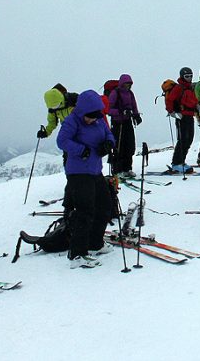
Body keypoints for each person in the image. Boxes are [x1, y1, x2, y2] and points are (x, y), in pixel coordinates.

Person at [57, 89, 116, 269]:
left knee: (105, 206)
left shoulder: (98, 119)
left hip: (95, 170)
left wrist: (108, 144)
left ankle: (95, 243)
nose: (92, 119)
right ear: (82, 111)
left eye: (95, 116)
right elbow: (62, 141)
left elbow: (108, 133)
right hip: (78, 173)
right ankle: (77, 254)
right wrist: (81, 150)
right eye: (89, 117)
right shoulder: (72, 121)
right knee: (85, 211)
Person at [107, 74, 142, 178]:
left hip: (127, 122)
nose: (128, 86)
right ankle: (118, 170)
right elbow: (108, 110)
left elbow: (134, 106)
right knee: (119, 146)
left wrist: (136, 115)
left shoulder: (130, 93)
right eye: (126, 84)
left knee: (129, 146)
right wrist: (120, 112)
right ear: (122, 83)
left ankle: (127, 168)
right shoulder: (115, 93)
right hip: (118, 123)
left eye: (129, 84)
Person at [166, 67, 199, 173]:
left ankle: (181, 161)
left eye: (190, 76)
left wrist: (197, 106)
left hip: (190, 115)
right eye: (187, 76)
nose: (189, 78)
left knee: (189, 140)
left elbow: (192, 101)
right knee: (183, 139)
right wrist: (172, 112)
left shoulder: (190, 88)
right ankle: (176, 163)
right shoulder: (179, 88)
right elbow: (170, 100)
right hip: (182, 116)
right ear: (182, 76)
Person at [37, 84, 79, 165]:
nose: (55, 108)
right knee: (68, 160)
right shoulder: (52, 109)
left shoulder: (74, 99)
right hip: (67, 132)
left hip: (81, 130)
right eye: (52, 107)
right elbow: (52, 122)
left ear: (61, 99)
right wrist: (46, 132)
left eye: (56, 105)